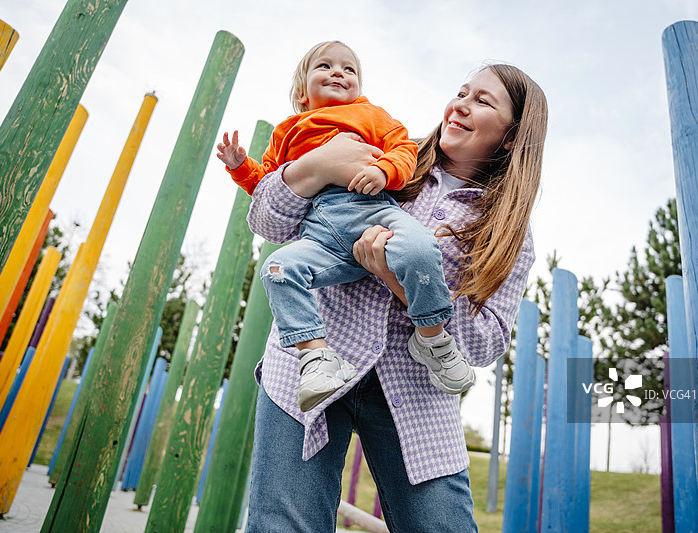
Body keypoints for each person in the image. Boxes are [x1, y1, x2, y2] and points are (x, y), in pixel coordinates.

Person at [244, 62, 547, 532]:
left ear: (511, 138)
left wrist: (399, 282)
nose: (460, 105)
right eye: (461, 92)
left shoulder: (509, 234)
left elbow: (484, 343)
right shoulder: (385, 157)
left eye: (482, 101)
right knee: (283, 525)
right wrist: (313, 166)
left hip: (416, 392)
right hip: (312, 362)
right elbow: (270, 223)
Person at [217, 41, 475, 412]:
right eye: (325, 66)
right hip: (321, 235)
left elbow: (403, 150)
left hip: (372, 211)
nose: (339, 72)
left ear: (359, 86)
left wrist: (382, 170)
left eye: (349, 69)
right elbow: (268, 183)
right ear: (302, 92)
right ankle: (317, 357)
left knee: (418, 247)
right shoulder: (287, 131)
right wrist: (241, 167)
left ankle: (432, 337)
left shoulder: (372, 115)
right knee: (276, 268)